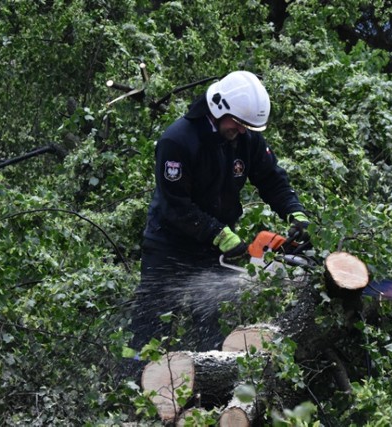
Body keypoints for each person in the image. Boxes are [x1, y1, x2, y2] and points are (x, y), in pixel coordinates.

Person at [128, 70, 310, 355]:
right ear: (218, 107)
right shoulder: (178, 141)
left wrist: (294, 213)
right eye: (237, 124)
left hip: (214, 247)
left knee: (212, 324)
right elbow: (175, 204)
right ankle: (130, 387)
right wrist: (218, 233)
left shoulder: (246, 137)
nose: (240, 131)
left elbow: (271, 179)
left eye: (246, 127)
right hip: (169, 243)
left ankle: (208, 388)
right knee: (152, 323)